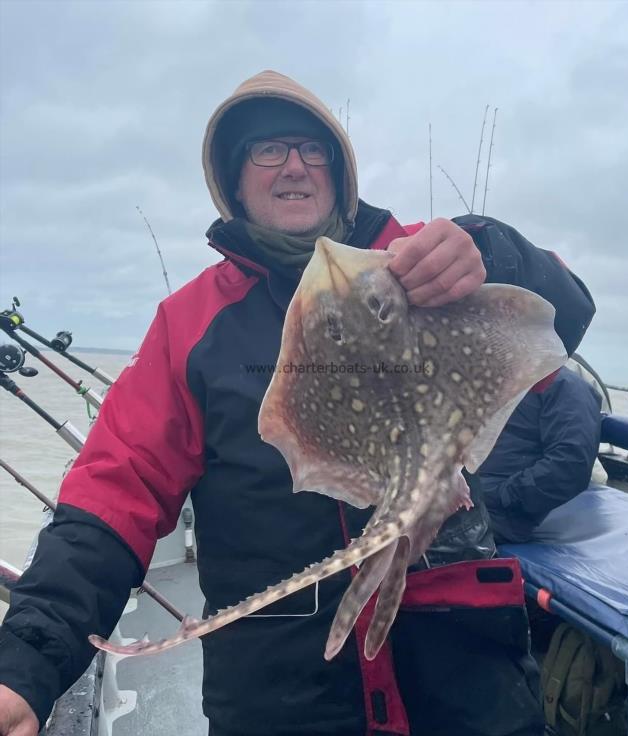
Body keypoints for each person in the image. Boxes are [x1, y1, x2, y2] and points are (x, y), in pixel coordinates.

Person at [0, 70, 596, 736]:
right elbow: (115, 493)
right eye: (268, 150)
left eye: (313, 150)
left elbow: (565, 315)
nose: (293, 166)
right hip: (285, 689)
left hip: (459, 672)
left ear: (340, 171)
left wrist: (487, 249)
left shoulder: (419, 254)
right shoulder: (190, 323)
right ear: (234, 176)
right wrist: (26, 663)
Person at [477, 366, 603, 544]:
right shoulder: (497, 379)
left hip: (500, 512)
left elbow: (570, 466)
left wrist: (504, 495)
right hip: (465, 494)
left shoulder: (567, 387)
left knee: (432, 534)